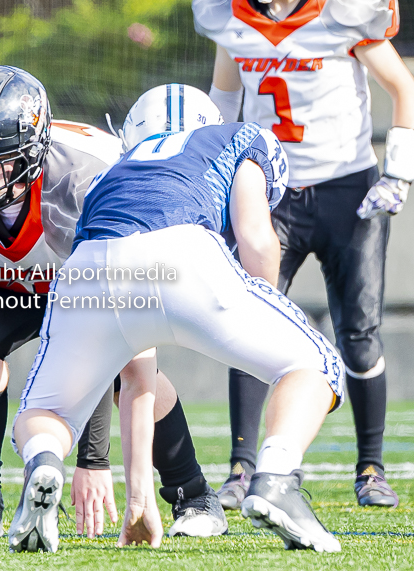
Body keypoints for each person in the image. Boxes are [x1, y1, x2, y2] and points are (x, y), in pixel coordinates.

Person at [8, 83, 346, 554]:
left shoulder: (111, 176)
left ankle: (43, 464)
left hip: (89, 267)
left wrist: (140, 499)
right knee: (316, 365)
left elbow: (136, 376)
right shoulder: (237, 136)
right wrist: (260, 320)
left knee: (44, 412)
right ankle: (275, 479)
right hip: (185, 252)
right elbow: (256, 238)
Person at [0, 66, 227, 540]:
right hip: (15, 280)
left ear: (31, 154)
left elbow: (95, 331)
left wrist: (94, 461)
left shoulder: (84, 183)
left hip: (93, 268)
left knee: (128, 363)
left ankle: (193, 495)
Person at [192, 0, 414, 509]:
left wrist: (399, 172)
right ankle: (241, 470)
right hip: (271, 194)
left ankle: (371, 468)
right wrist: (205, 173)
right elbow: (223, 103)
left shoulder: (343, 14)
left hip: (347, 192)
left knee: (359, 336)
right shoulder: (232, 19)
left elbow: (403, 87)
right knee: (248, 325)